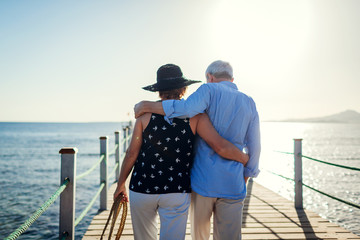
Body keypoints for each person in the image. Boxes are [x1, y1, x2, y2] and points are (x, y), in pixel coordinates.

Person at [113, 63, 249, 240]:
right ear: (184, 89)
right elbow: (219, 145)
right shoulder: (196, 116)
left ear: (158, 91)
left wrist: (120, 184)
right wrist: (244, 158)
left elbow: (132, 153)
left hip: (142, 187)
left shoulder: (144, 115)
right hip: (176, 189)